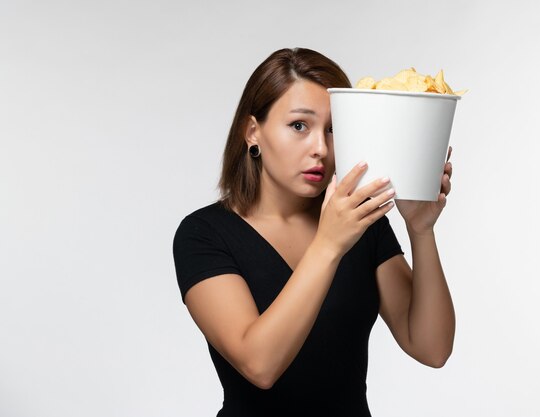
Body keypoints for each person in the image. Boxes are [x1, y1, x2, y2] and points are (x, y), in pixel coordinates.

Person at [172, 47, 455, 417]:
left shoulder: (362, 223)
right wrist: (328, 244)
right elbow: (259, 366)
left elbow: (431, 348)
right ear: (252, 132)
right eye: (299, 126)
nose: (321, 149)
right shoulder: (204, 234)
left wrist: (421, 230)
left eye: (334, 129)